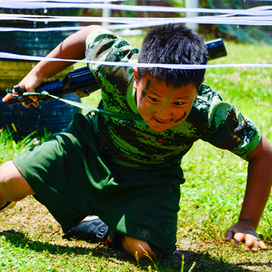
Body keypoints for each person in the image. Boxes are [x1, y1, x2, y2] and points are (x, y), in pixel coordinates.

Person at [1, 24, 272, 260]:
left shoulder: (209, 113)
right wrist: (37, 75)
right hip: (87, 150)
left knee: (148, 251)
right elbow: (88, 34)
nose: (164, 113)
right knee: (5, 181)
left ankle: (102, 229)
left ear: (197, 88)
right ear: (137, 74)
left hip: (149, 180)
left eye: (179, 103)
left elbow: (263, 154)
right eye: (152, 98)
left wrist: (247, 222)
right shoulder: (114, 65)